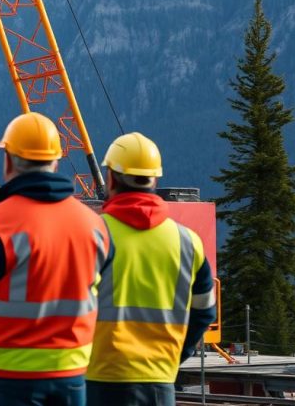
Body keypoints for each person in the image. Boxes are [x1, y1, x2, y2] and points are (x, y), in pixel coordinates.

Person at [0, 112, 113, 406]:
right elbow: (107, 299)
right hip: (72, 377)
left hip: (9, 380)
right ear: (56, 163)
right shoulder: (95, 226)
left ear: (7, 162)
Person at [85, 132, 216, 406]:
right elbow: (205, 312)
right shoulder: (188, 242)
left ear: (110, 178)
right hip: (160, 384)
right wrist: (174, 355)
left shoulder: (93, 235)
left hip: (100, 382)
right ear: (154, 180)